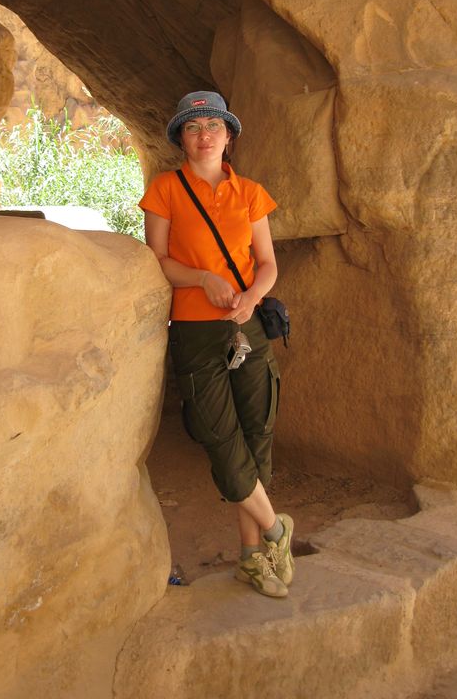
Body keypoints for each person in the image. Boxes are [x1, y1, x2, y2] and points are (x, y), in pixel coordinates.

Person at [139, 91, 294, 599]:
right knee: (217, 435)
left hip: (246, 326)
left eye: (213, 126)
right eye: (193, 127)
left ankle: (252, 557)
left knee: (256, 436)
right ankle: (276, 528)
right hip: (195, 329)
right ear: (180, 138)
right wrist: (203, 278)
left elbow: (267, 263)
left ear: (228, 136)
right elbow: (157, 259)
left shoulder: (250, 193)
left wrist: (252, 297)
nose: (203, 135)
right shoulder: (165, 189)